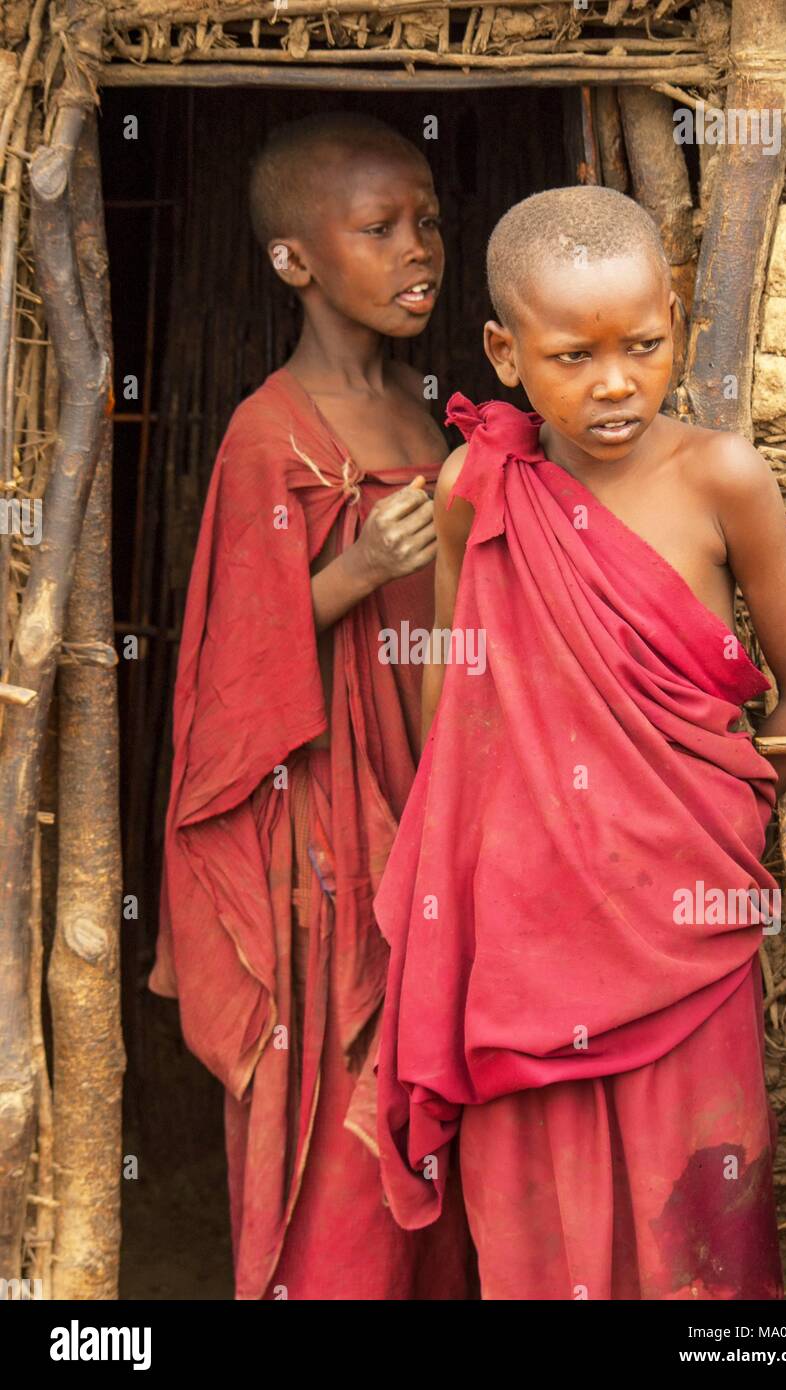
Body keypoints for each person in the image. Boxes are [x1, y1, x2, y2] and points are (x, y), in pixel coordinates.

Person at [374, 185, 786, 1300]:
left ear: (676, 319)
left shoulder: (722, 477)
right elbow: (456, 695)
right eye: (573, 355)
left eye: (642, 344)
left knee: (704, 1212)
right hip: (522, 936)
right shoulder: (476, 487)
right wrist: (475, 862)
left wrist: (706, 819)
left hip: (684, 914)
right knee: (541, 1215)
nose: (616, 381)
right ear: (503, 351)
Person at [149, 112, 472, 1300]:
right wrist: (352, 573)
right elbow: (225, 678)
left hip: (427, 800)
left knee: (434, 1097)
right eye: (379, 229)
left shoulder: (427, 418)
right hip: (323, 833)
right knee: (342, 1087)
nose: (419, 250)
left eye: (428, 221)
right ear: (296, 260)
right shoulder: (265, 435)